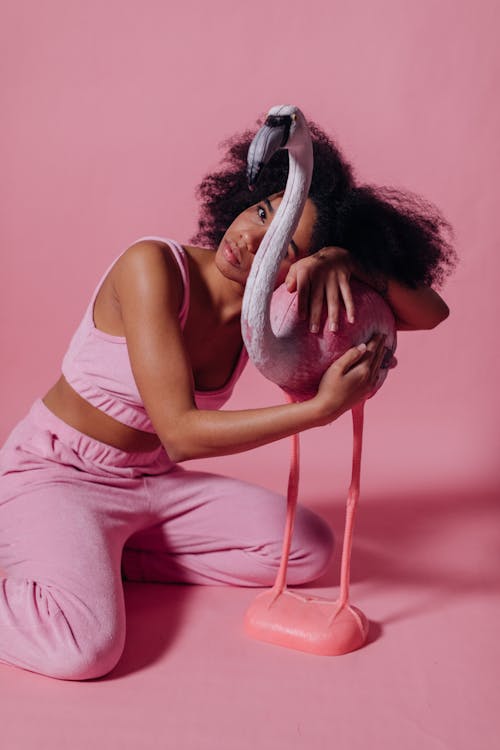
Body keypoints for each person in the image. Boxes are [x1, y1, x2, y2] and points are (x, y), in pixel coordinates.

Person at [0, 118, 456, 681]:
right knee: (82, 648)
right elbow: (182, 434)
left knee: (308, 550)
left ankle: (101, 558)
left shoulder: (264, 316)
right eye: (264, 212)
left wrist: (348, 261)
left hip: (151, 484)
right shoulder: (151, 268)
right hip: (57, 475)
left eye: (283, 245)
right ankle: (48, 544)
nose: (251, 239)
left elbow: (430, 314)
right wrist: (318, 411)